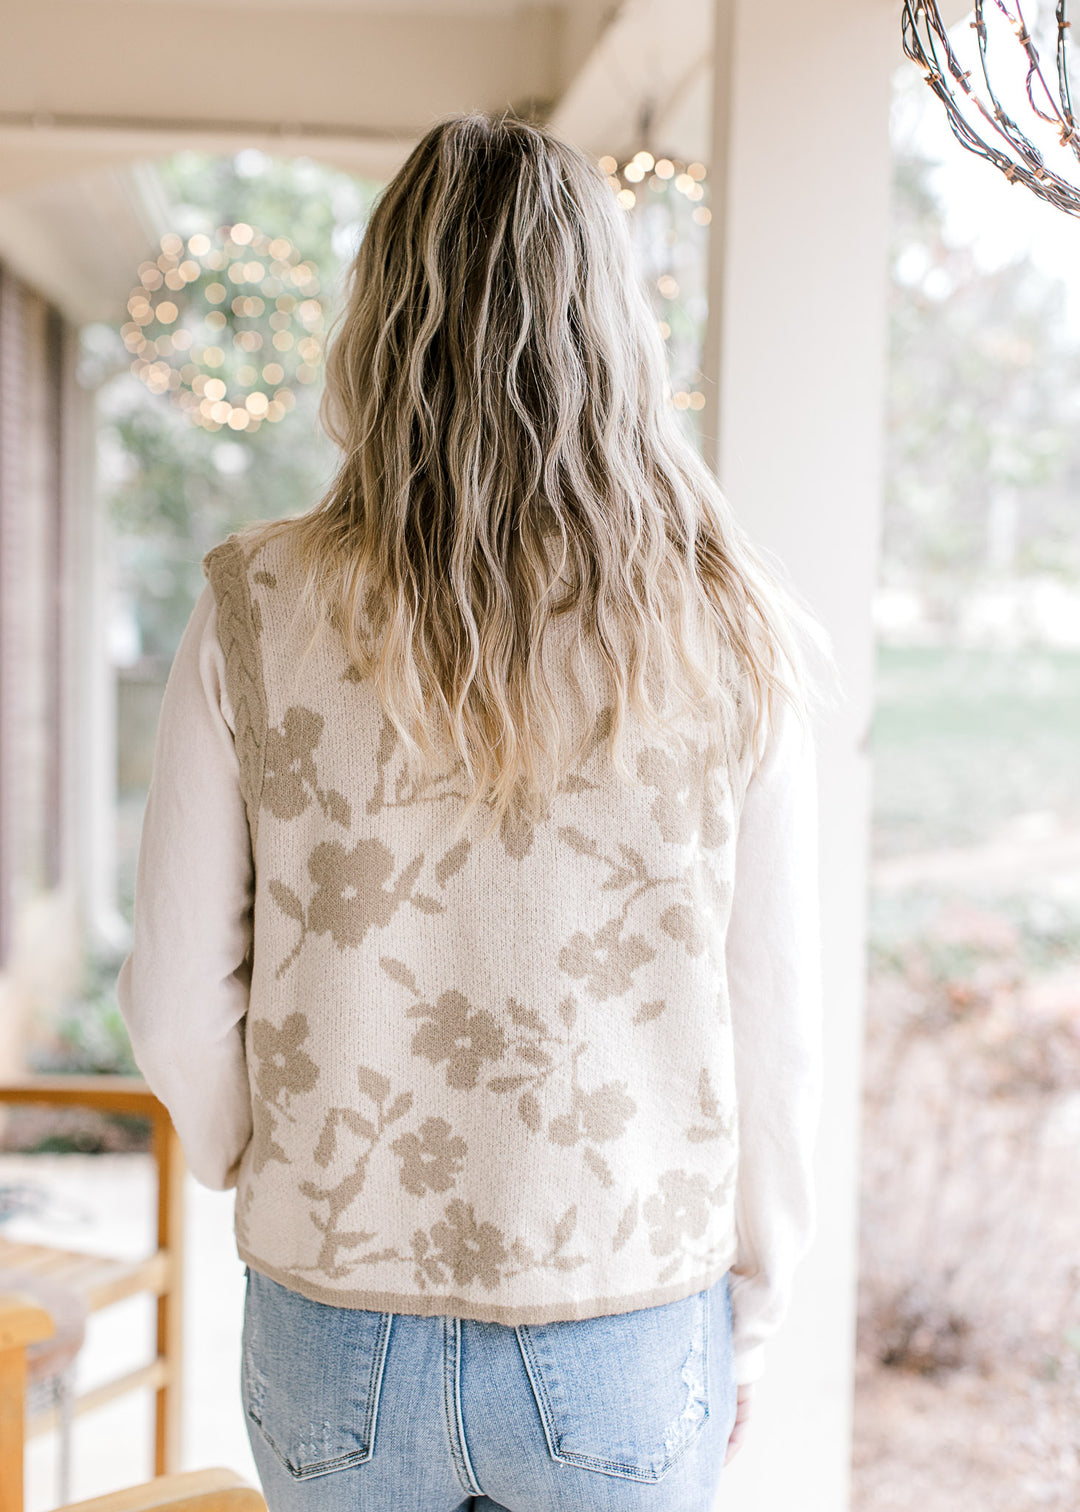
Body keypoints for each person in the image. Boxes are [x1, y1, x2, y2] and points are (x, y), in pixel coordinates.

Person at [117, 109, 830, 1512]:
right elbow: (772, 1023)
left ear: (378, 318)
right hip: (625, 1314)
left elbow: (169, 998)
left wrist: (268, 1164)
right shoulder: (727, 627)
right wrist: (758, 1309)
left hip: (336, 1319)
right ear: (614, 330)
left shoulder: (255, 605)